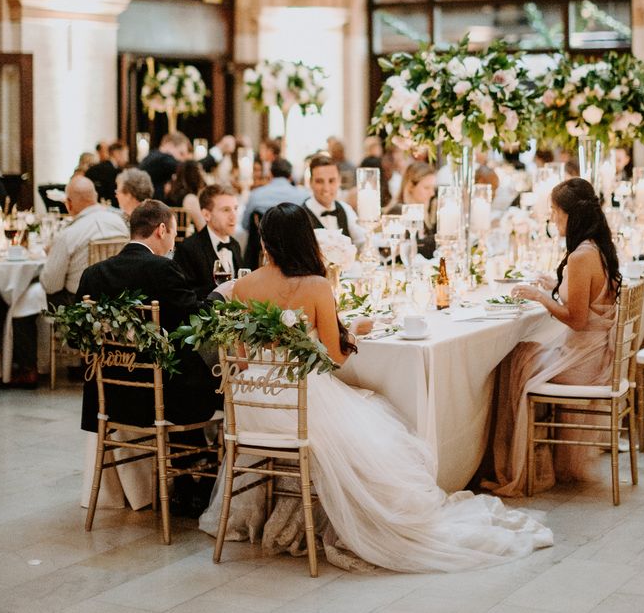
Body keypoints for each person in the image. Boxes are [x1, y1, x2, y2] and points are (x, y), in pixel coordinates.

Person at [199, 202, 552, 571]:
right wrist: (352, 333)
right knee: (378, 423)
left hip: (253, 410)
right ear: (306, 239)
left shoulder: (242, 286)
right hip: (301, 403)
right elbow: (335, 358)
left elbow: (239, 359)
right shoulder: (316, 285)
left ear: (265, 239)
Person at [76, 200, 221, 515]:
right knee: (216, 380)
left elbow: (80, 336)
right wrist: (221, 295)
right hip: (157, 397)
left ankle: (190, 477)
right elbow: (196, 318)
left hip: (110, 395)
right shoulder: (162, 268)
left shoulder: (92, 275)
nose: (173, 242)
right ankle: (202, 478)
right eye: (173, 234)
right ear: (162, 229)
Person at [482, 177, 621, 497]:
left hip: (583, 362)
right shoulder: (597, 248)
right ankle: (533, 458)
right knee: (522, 354)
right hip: (595, 354)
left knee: (512, 359)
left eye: (555, 212)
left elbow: (576, 319)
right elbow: (587, 299)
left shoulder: (580, 256)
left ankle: (517, 467)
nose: (552, 219)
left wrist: (540, 297)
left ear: (571, 215)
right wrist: (554, 286)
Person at [41, 176, 128, 308]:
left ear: (69, 203)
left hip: (79, 308)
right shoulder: (120, 224)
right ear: (96, 196)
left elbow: (50, 285)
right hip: (120, 303)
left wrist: (51, 254)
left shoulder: (68, 234)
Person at [173, 184, 242, 299]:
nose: (233, 216)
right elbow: (185, 294)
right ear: (206, 215)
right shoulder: (188, 248)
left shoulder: (235, 245)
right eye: (226, 210)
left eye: (235, 208)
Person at [303, 154, 365, 249]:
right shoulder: (300, 215)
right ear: (310, 183)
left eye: (331, 181)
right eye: (319, 181)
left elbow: (362, 241)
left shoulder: (345, 209)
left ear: (339, 181)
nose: (326, 188)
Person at [385, 160, 437, 258]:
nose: (432, 193)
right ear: (410, 187)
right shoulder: (397, 213)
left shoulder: (425, 213)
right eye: (426, 188)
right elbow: (399, 252)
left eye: (433, 188)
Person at [138, 131, 190, 200]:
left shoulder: (152, 156)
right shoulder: (162, 158)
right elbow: (186, 168)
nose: (182, 159)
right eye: (181, 153)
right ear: (170, 145)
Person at [166, 159, 207, 232]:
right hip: (185, 240)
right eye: (201, 171)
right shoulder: (190, 199)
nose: (204, 174)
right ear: (195, 176)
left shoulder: (172, 194)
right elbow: (202, 227)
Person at [86, 139, 130, 205]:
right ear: (116, 153)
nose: (127, 159)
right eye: (126, 154)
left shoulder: (93, 169)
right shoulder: (117, 172)